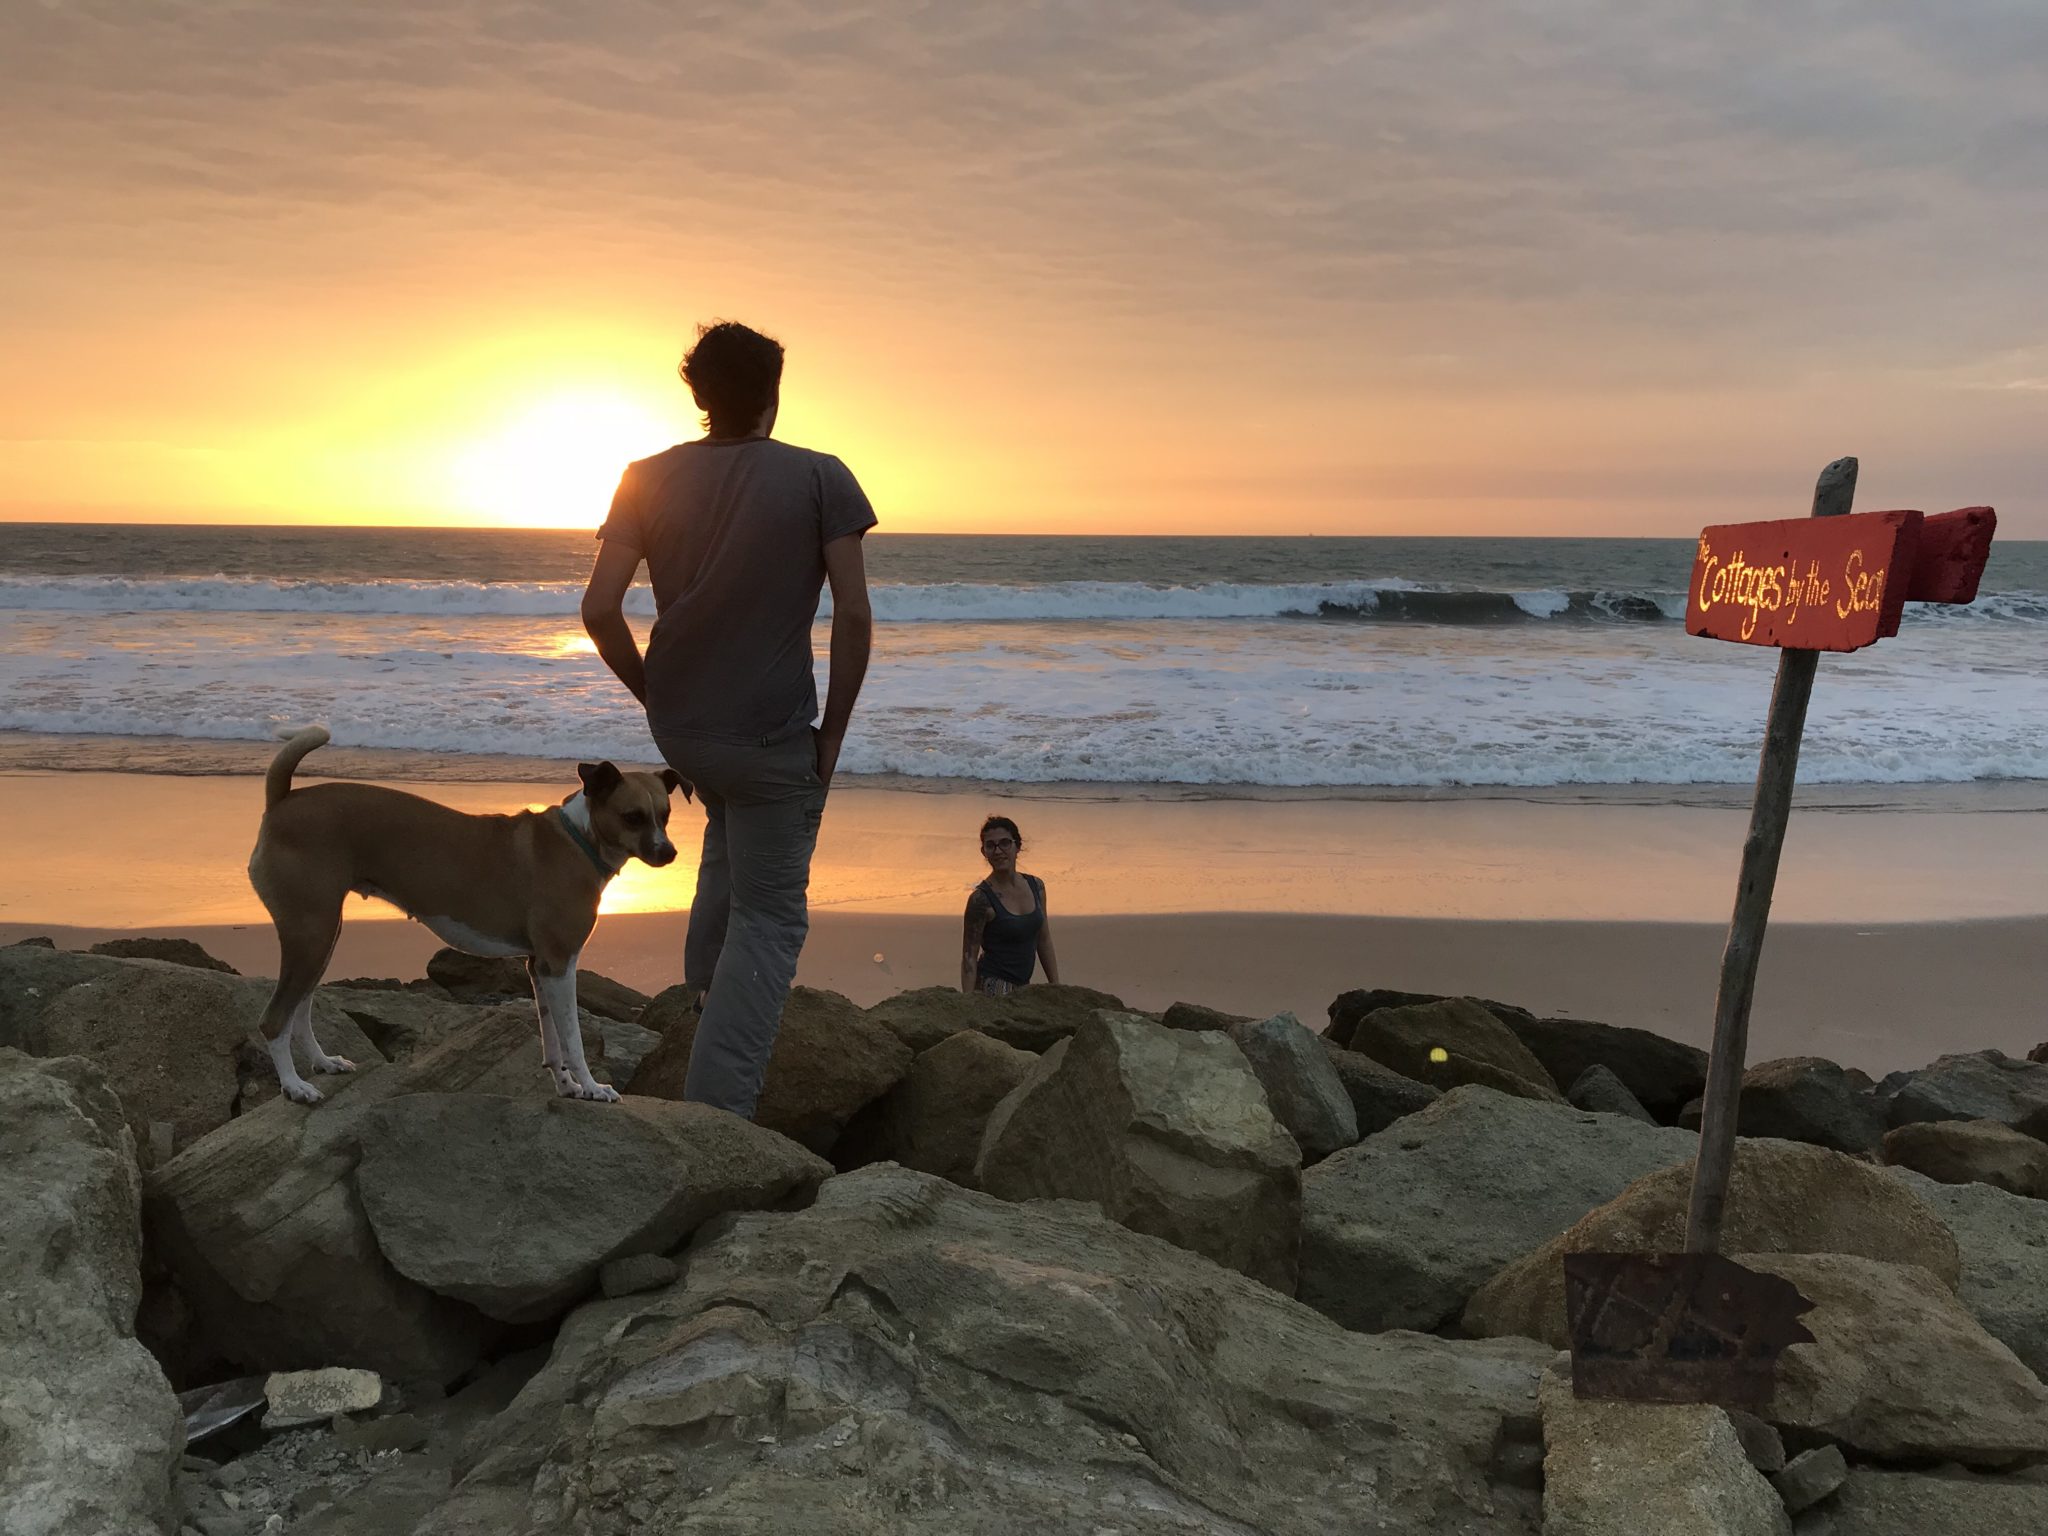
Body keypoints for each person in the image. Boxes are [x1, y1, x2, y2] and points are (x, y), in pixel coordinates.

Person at [580, 320, 875, 1118]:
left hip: (682, 733)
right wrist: (834, 735)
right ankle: (716, 1118)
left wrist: (653, 697)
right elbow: (852, 617)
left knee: (724, 844)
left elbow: (599, 608)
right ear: (773, 394)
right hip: (769, 738)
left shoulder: (643, 476)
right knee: (772, 919)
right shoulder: (821, 477)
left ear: (700, 396)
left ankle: (700, 1004)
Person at [961, 815, 1060, 995]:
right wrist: (968, 1004)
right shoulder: (981, 900)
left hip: (1023, 985)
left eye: (1005, 843)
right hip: (992, 984)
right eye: (990, 846)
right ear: (984, 852)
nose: (998, 851)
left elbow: (1043, 939)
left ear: (1018, 846)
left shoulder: (1036, 886)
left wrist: (1057, 987)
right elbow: (969, 956)